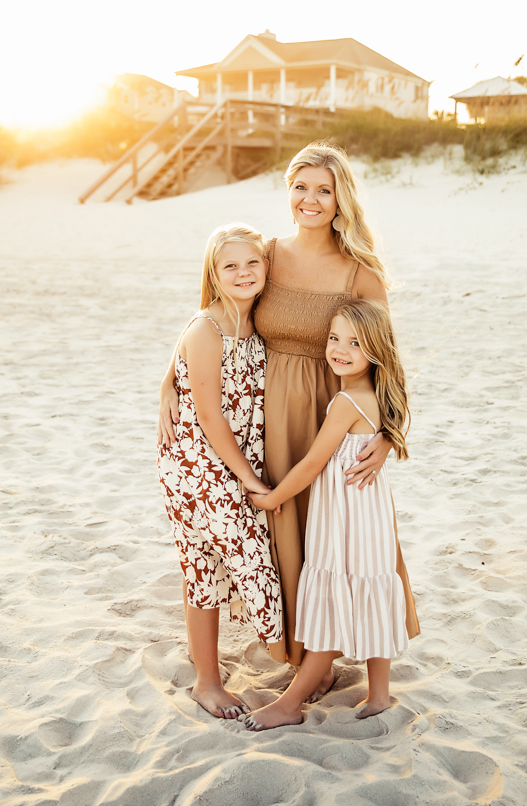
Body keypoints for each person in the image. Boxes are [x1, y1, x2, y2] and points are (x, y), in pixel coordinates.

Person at [159, 141, 417, 675]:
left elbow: (386, 359)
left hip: (334, 415)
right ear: (288, 192)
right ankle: (300, 654)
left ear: (341, 197)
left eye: (324, 190)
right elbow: (214, 311)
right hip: (269, 416)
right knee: (287, 532)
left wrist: (388, 434)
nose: (311, 200)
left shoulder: (359, 272)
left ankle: (336, 649)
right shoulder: (269, 254)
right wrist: (170, 380)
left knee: (339, 535)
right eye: (301, 187)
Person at [243, 298, 416, 730]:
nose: (339, 349)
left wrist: (271, 497)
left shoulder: (346, 402)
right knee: (372, 591)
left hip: (345, 520)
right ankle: (378, 694)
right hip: (370, 516)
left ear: (376, 350)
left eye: (354, 343)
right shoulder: (380, 395)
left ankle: (291, 702)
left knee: (333, 602)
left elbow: (311, 464)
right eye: (334, 338)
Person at [157, 223, 282, 719]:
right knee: (216, 563)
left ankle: (213, 673)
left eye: (252, 262)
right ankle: (209, 681)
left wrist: (166, 379)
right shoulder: (207, 328)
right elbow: (209, 416)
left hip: (231, 459)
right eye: (230, 265)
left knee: (209, 564)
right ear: (214, 272)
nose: (243, 272)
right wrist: (249, 479)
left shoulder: (256, 321)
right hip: (195, 464)